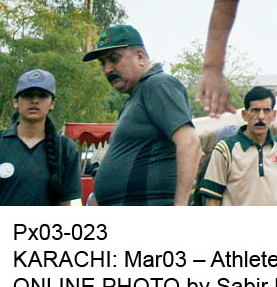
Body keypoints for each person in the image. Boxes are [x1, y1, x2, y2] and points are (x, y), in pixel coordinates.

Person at [84, 25, 200, 206]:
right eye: (103, 63)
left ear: (140, 56)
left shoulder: (158, 84)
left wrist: (180, 207)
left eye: (114, 59)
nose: (107, 69)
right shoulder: (135, 98)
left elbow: (190, 144)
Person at [199, 87, 277, 206]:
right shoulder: (225, 150)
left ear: (274, 115)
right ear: (244, 115)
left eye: (267, 110)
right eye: (255, 110)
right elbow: (213, 201)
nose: (261, 116)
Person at [0, 69, 81, 206]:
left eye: (42, 96)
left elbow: (66, 203)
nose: (34, 100)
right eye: (27, 95)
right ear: (15, 101)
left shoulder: (64, 148)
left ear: (52, 103)